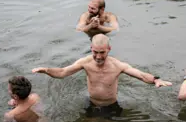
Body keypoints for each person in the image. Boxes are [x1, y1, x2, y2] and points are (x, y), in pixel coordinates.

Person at [32, 34, 171, 117]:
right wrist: (46, 70)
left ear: (109, 49)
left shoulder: (117, 65)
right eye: (95, 52)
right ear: (91, 48)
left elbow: (140, 75)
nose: (98, 57)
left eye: (102, 52)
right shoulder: (85, 63)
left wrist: (155, 79)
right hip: (91, 103)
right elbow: (62, 72)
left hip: (112, 105)